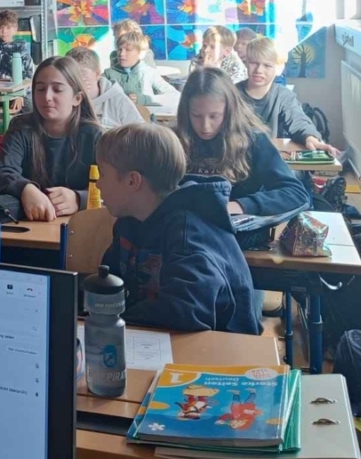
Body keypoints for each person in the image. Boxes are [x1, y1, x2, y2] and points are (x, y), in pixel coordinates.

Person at [97, 123, 260, 334]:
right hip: (158, 335)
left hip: (220, 344)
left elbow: (186, 313)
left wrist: (114, 323)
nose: (98, 184)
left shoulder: (188, 233)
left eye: (102, 174)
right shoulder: (129, 220)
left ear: (132, 181)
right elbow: (109, 282)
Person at [176, 68, 310, 215]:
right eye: (196, 115)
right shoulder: (173, 140)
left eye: (214, 116)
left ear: (230, 111)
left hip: (234, 224)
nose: (205, 126)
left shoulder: (254, 140)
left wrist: (239, 206)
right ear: (185, 112)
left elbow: (295, 193)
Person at [0, 56, 103, 221]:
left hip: (78, 227)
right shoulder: (21, 127)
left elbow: (115, 187)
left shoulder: (95, 136)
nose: (47, 96)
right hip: (29, 225)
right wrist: (25, 189)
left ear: (77, 98)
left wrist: (79, 198)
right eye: (40, 89)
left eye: (57, 89)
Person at [237, 37, 336, 154]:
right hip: (237, 156)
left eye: (267, 65)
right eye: (254, 63)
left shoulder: (283, 96)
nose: (259, 70)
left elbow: (298, 120)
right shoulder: (231, 94)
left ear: (279, 69)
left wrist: (310, 137)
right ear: (246, 63)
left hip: (270, 157)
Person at [66, 47, 144, 129]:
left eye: (82, 74)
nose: (75, 80)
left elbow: (141, 133)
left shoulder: (119, 100)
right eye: (70, 75)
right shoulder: (63, 99)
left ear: (97, 74)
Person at [104, 31, 173, 105]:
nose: (121, 54)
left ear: (141, 54)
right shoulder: (108, 74)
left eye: (128, 50)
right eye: (120, 49)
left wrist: (145, 100)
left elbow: (174, 96)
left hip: (144, 112)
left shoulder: (149, 72)